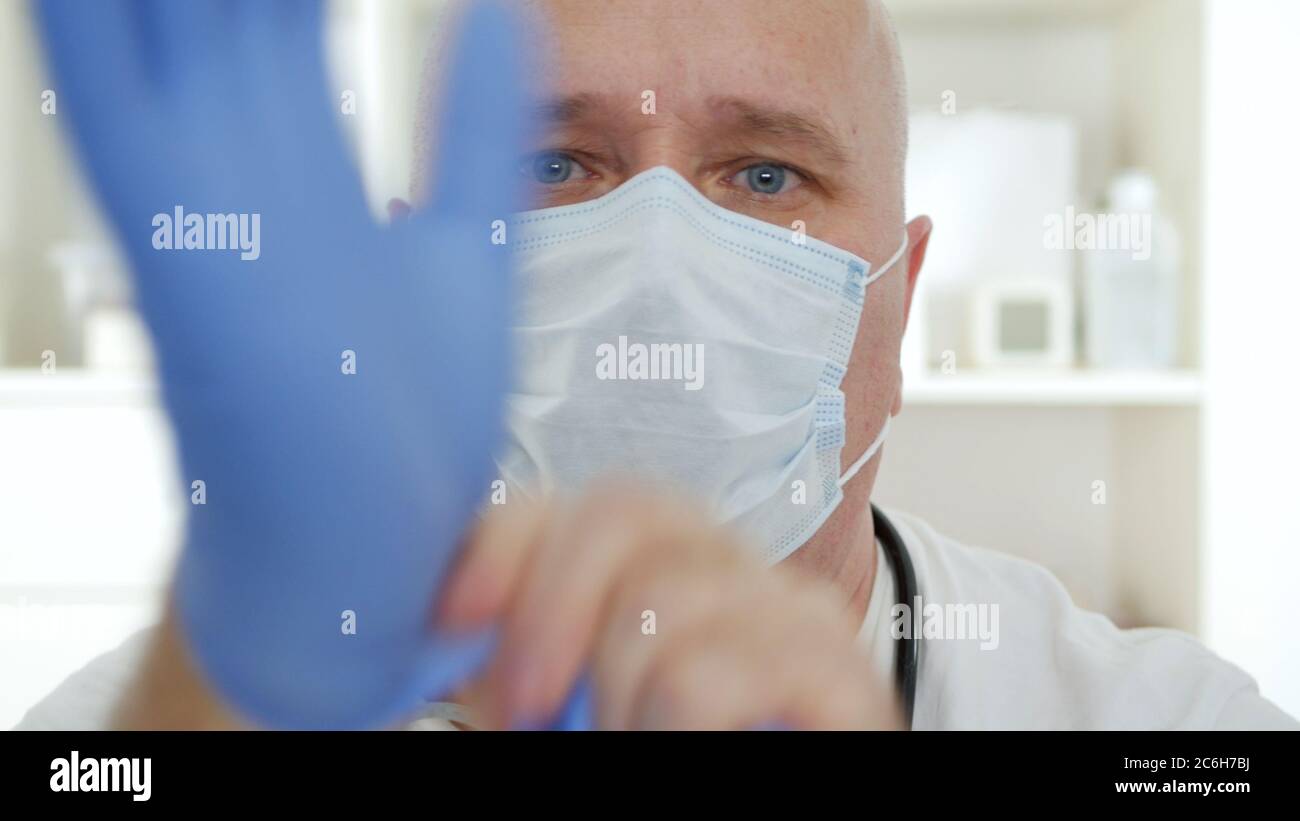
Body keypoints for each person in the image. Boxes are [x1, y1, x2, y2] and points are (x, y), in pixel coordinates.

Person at [18, 0, 1296, 731]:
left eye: (764, 174)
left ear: (896, 305)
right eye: (553, 164)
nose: (659, 259)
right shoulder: (145, 720)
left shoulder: (1167, 728)